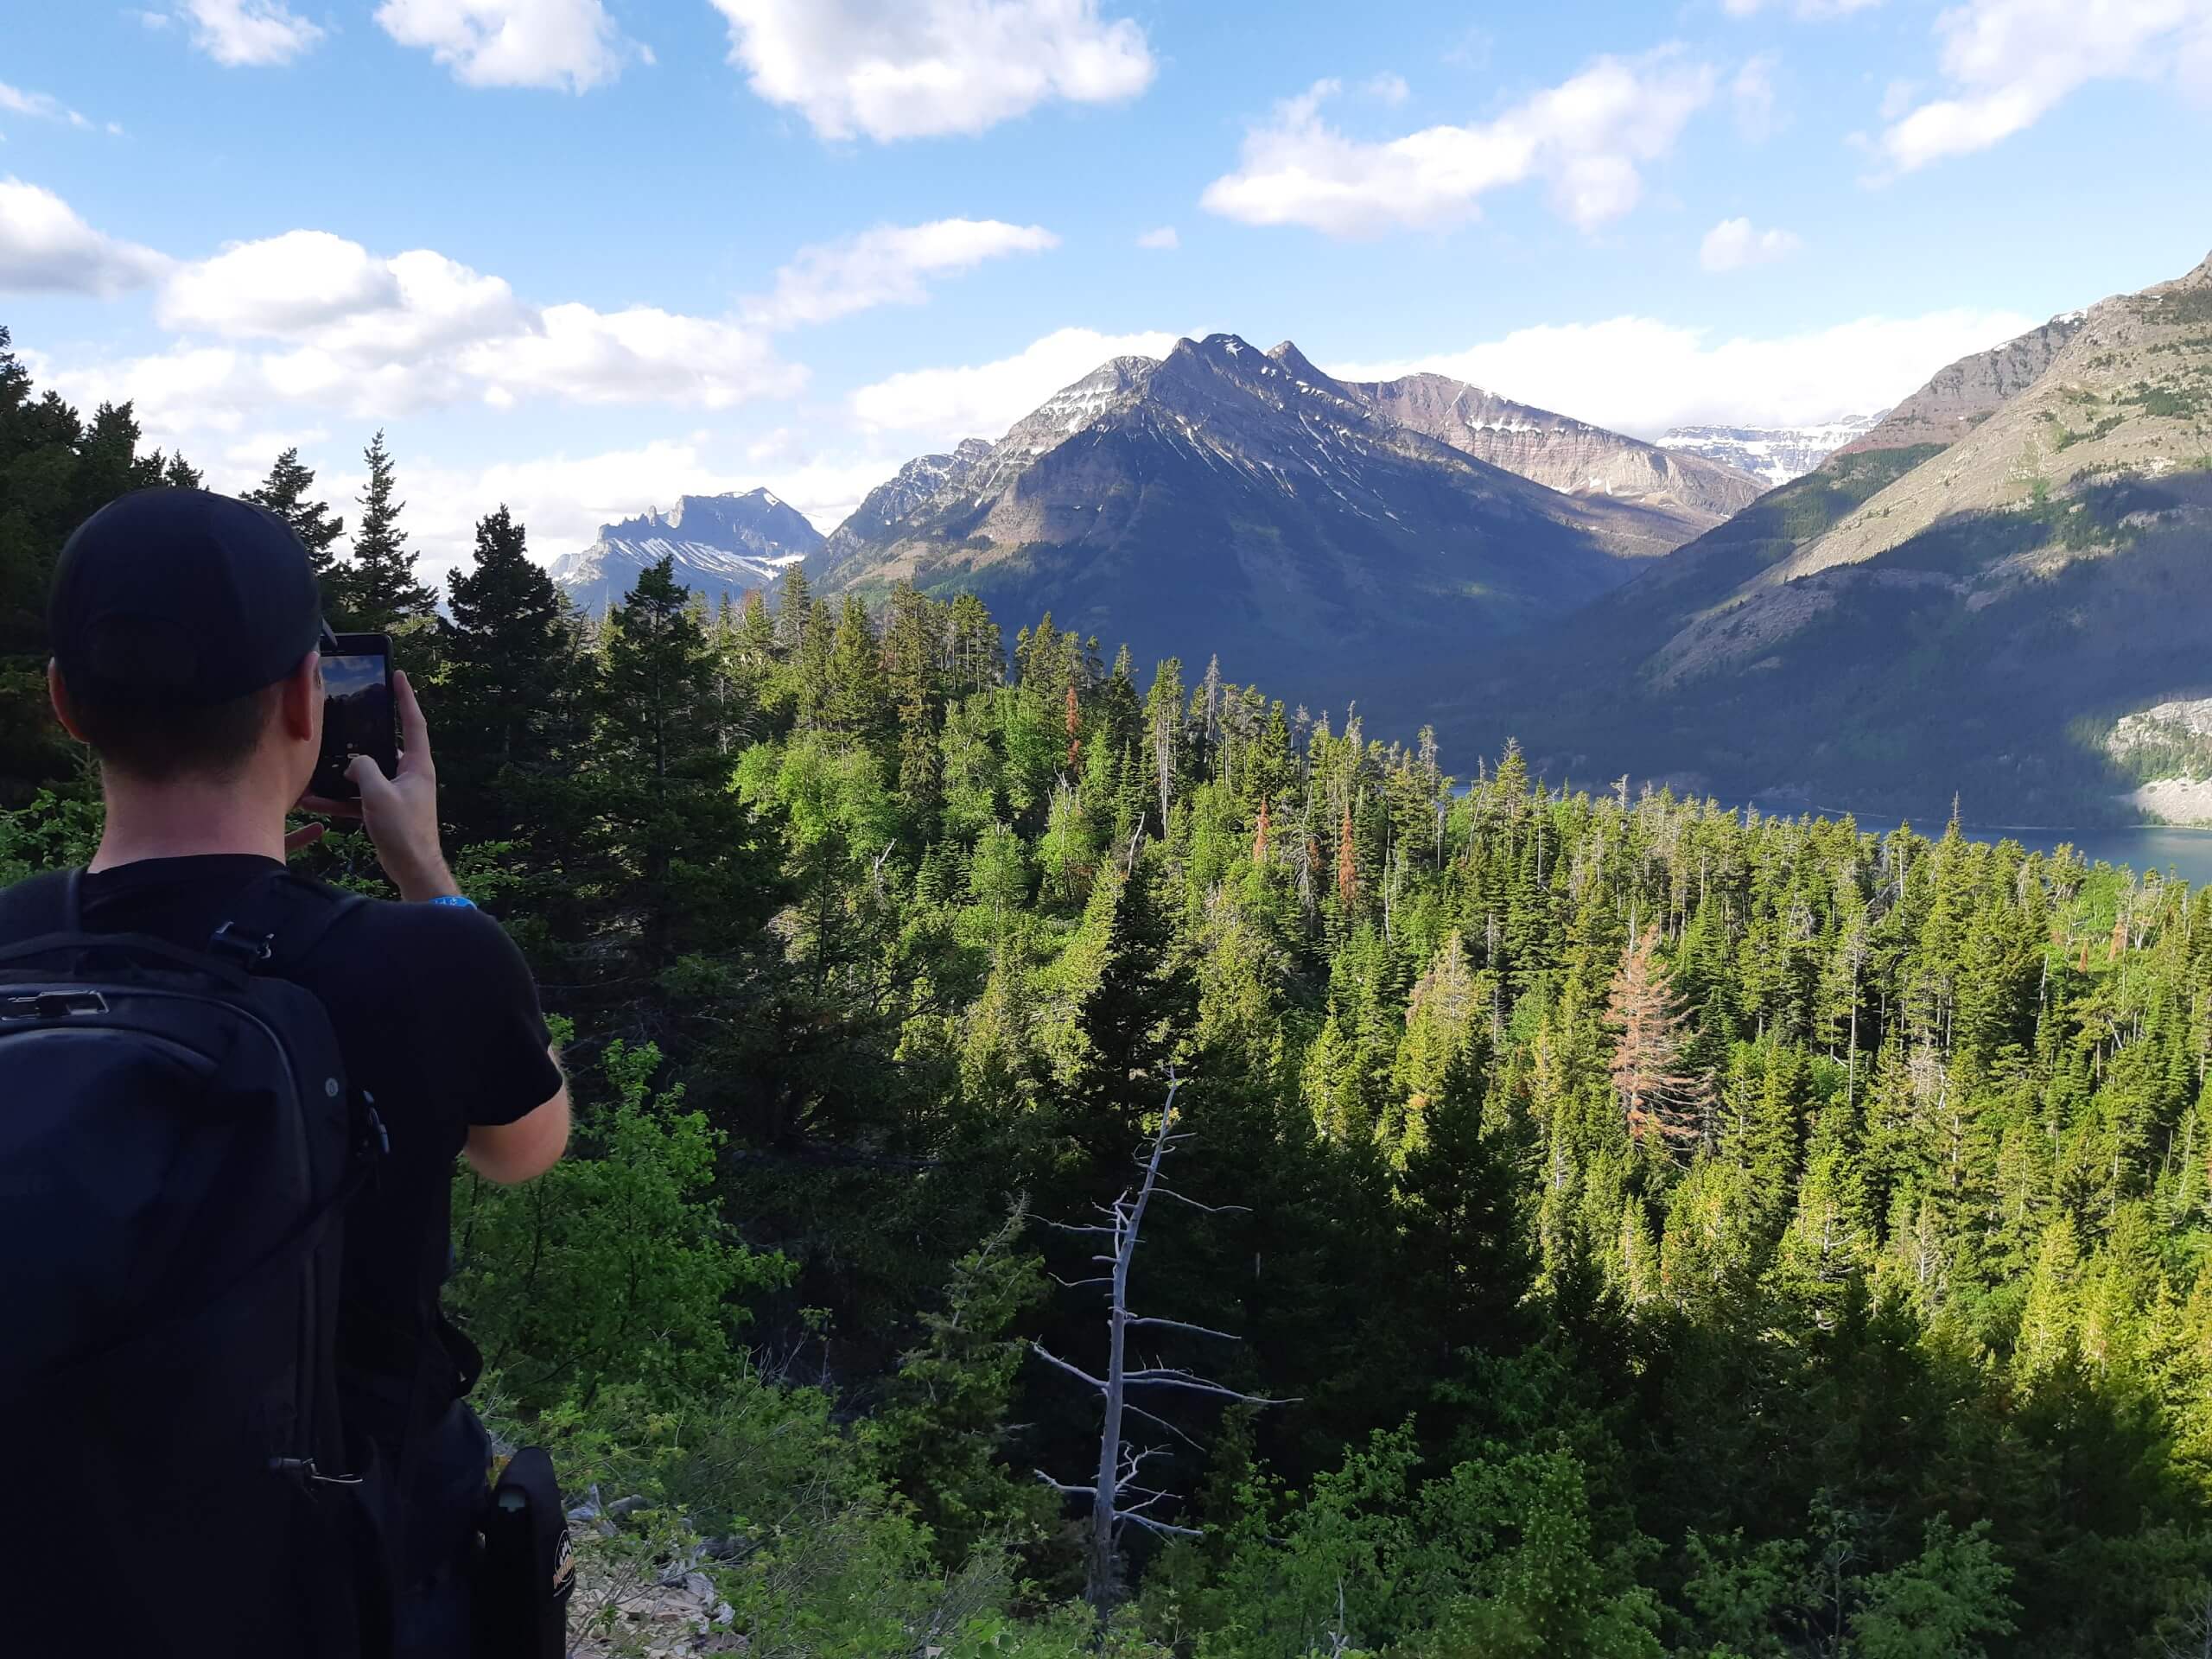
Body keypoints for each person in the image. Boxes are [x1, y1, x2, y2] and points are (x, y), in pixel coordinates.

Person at [32, 487, 571, 1650]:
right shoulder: (422, 958)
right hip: (335, 1582)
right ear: (301, 702)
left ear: (67, 705)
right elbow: (529, 1148)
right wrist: (429, 872)